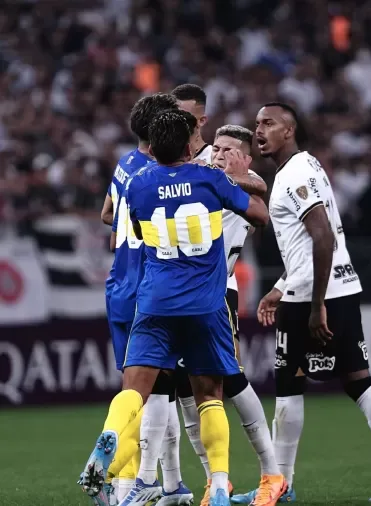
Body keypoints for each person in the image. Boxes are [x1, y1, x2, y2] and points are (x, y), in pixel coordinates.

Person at [78, 109, 270, 506]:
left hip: (154, 302)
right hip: (205, 304)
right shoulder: (211, 178)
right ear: (188, 146)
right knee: (210, 394)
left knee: (135, 390)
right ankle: (218, 484)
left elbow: (123, 228)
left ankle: (111, 447)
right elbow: (259, 215)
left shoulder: (138, 186)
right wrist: (228, 184)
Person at [233, 102, 371, 504]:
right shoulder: (308, 166)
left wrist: (315, 305)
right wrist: (281, 287)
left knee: (288, 385)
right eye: (256, 124)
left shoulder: (295, 173)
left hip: (314, 298)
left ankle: (280, 485)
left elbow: (323, 238)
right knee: (358, 382)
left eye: (268, 123)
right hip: (339, 288)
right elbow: (310, 247)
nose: (259, 130)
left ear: (289, 130)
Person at [172, 85, 275, 506]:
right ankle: (215, 479)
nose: (219, 154)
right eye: (217, 147)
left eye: (230, 149)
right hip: (182, 295)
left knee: (228, 379)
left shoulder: (247, 183)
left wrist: (225, 173)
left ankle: (272, 474)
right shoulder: (205, 174)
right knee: (184, 387)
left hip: (219, 293)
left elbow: (261, 195)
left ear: (246, 158)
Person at [97, 92, 190, 506]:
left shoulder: (124, 166)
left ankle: (165, 484)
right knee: (152, 394)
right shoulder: (163, 175)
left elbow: (107, 216)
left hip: (118, 285)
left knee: (137, 391)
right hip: (149, 290)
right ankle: (130, 486)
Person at [172, 84, 213, 161]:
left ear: (202, 121)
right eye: (173, 115)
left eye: (185, 117)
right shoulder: (160, 160)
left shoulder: (215, 160)